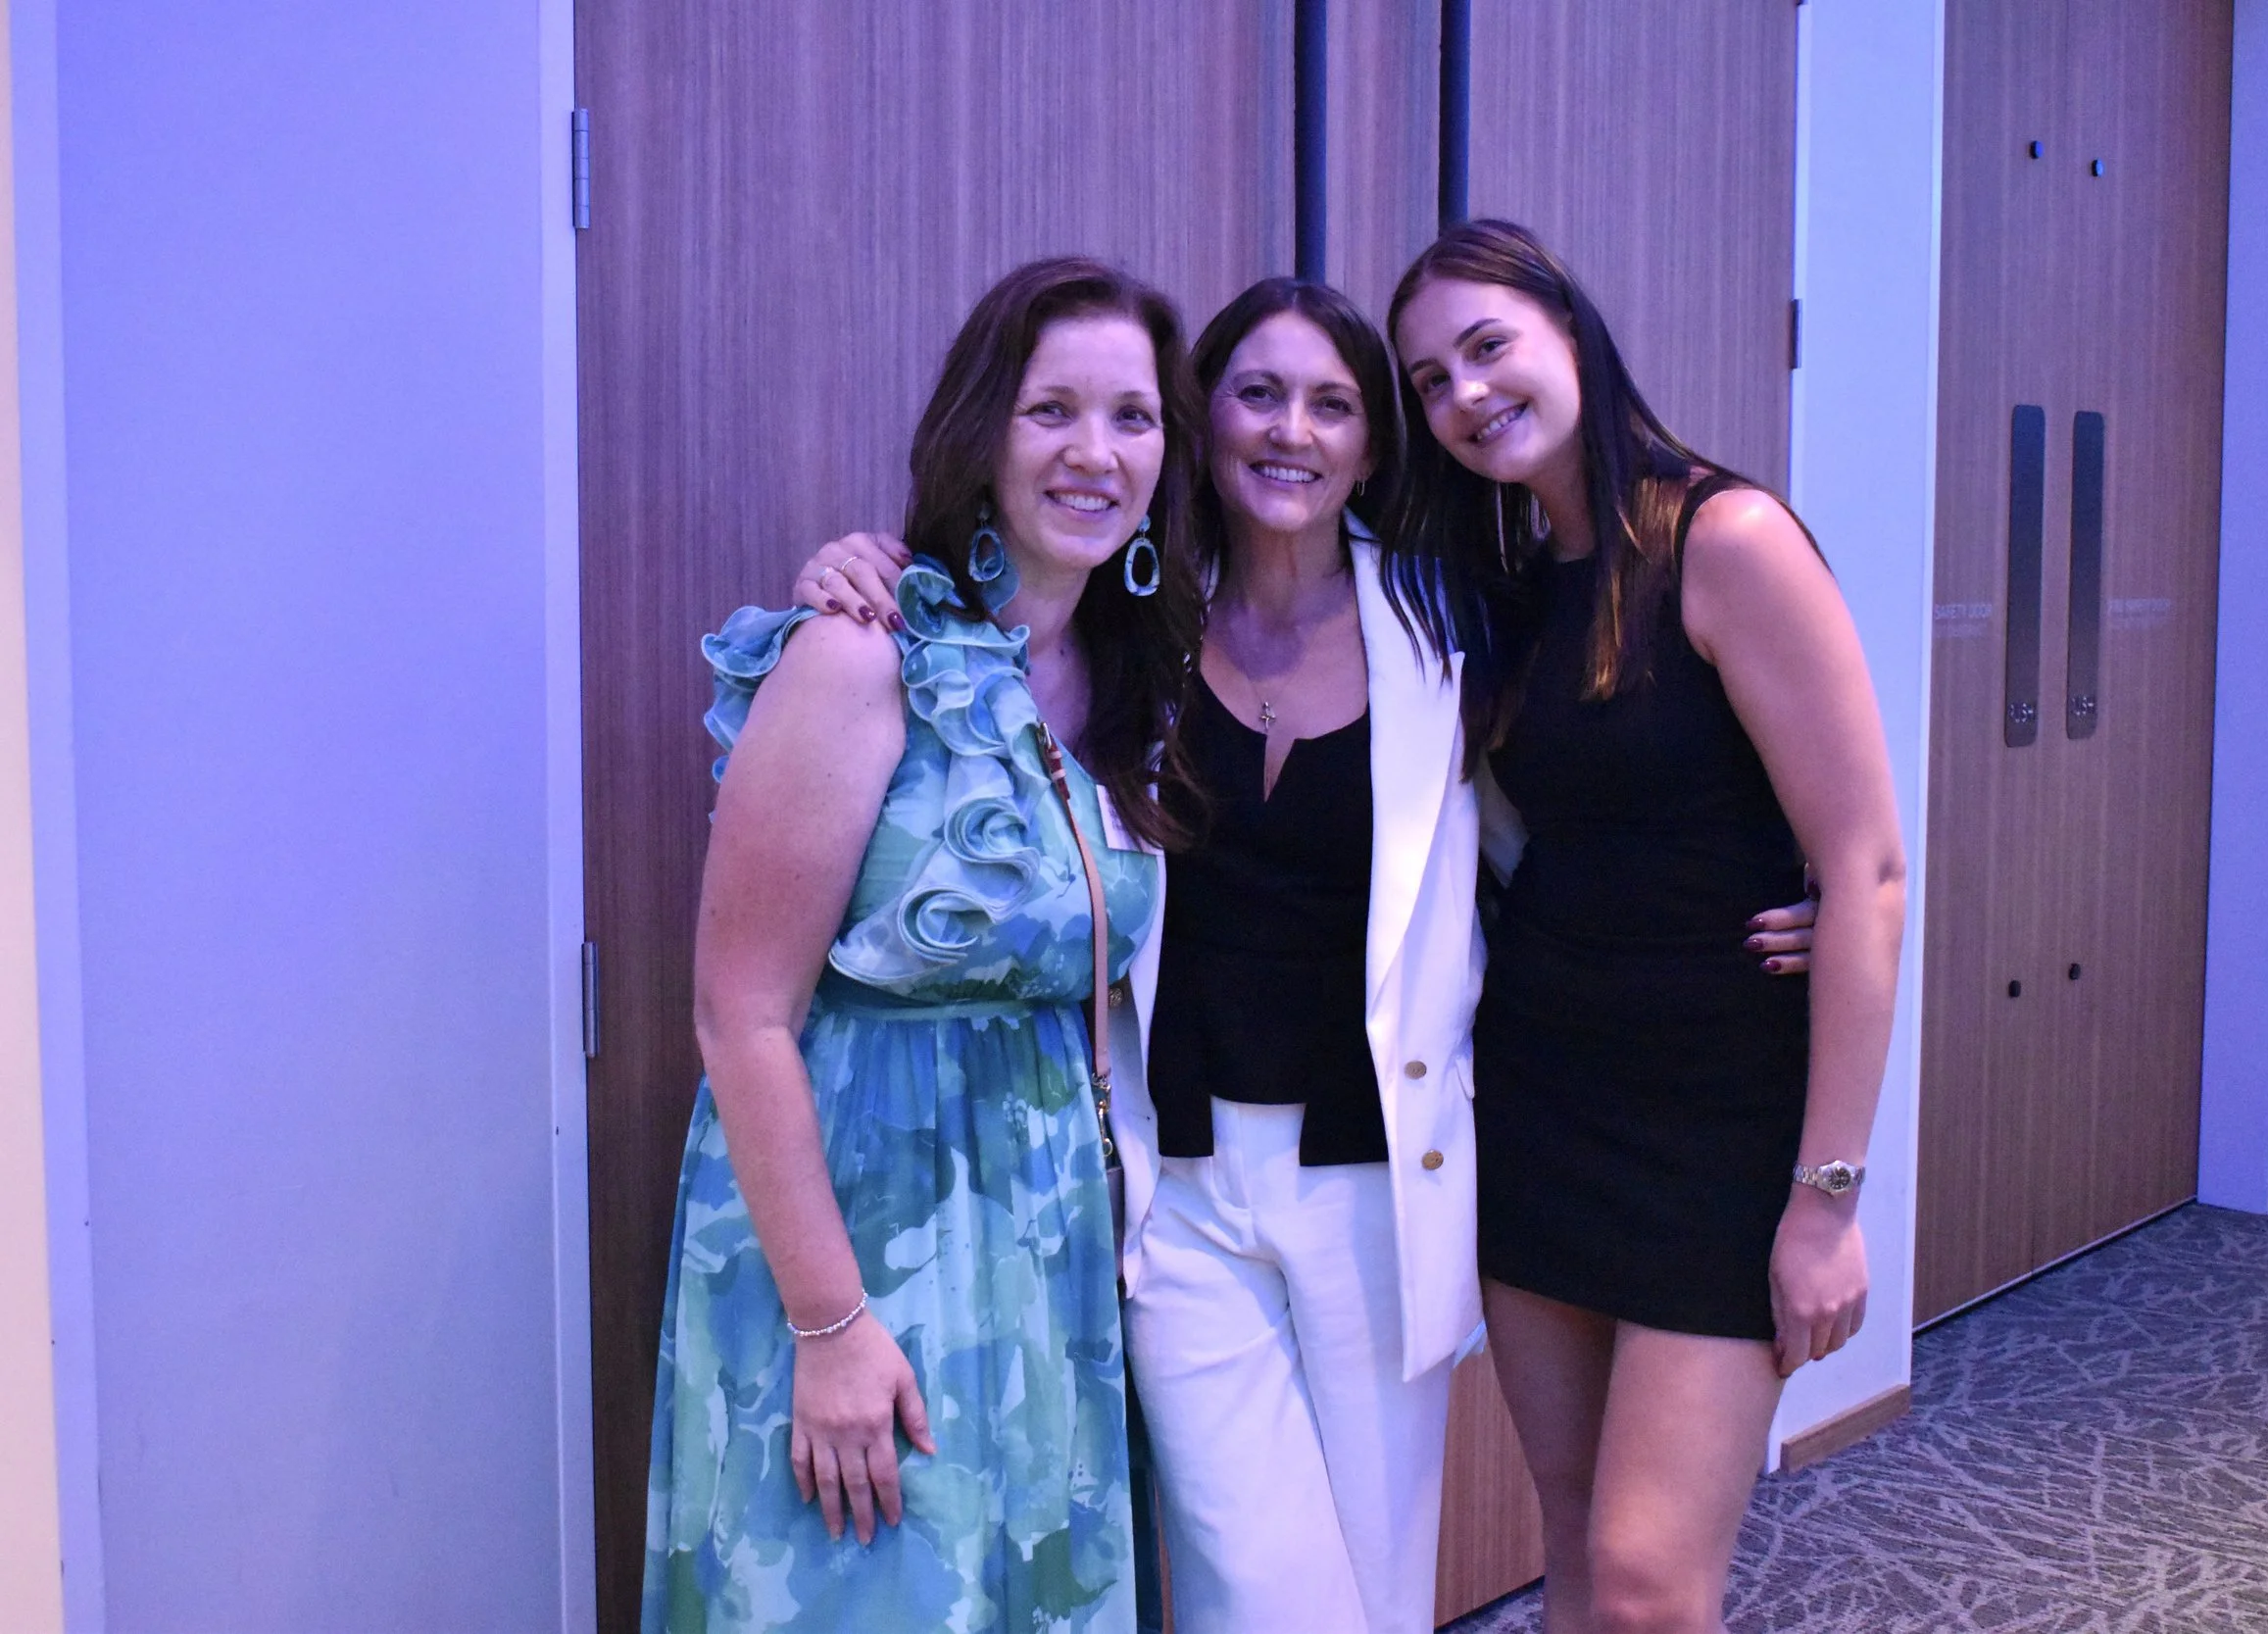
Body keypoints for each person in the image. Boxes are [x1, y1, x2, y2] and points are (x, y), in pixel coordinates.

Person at [792, 275, 1821, 1633]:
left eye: (1334, 402)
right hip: (1185, 1191)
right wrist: (855, 564)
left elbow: (1596, 793)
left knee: (1381, 1593)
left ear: (1374, 444)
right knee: (1254, 1590)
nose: (1294, 430)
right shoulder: (1130, 623)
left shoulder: (1453, 625)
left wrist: (1786, 881)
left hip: (1377, 1186)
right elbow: (976, 623)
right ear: (1199, 421)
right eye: (1259, 393)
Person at [642, 257, 1208, 1634]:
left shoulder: (1132, 680)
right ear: (979, 433)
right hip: (857, 1239)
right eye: (1048, 411)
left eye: (1132, 417)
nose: (1095, 451)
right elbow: (741, 1016)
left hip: (1044, 1249)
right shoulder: (861, 657)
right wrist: (830, 1327)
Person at [1386, 219, 1907, 1634]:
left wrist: (1829, 1198)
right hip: (1547, 1099)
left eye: (1487, 346)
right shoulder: (1498, 584)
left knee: (1647, 1578)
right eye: (1431, 380)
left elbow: (1865, 866)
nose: (1468, 393)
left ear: (1569, 328)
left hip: (1713, 1127)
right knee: (1572, 1542)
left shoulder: (1725, 538)